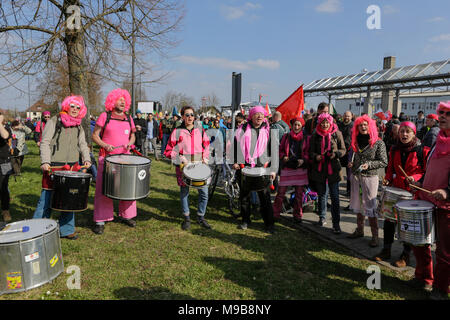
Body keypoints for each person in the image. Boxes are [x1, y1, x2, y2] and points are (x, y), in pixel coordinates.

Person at [33, 95, 91, 240]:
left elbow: (83, 144)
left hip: (72, 168)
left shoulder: (79, 125)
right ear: (66, 106)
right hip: (53, 167)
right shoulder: (55, 121)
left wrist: (87, 158)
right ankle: (38, 230)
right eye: (72, 106)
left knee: (69, 200)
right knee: (46, 199)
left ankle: (66, 230)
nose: (75, 109)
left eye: (78, 107)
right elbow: (45, 142)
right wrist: (45, 161)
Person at [374, 121, 430, 268]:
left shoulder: (423, 150)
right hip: (396, 190)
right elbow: (390, 168)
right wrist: (387, 179)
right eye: (402, 131)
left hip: (413, 192)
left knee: (407, 224)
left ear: (414, 133)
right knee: (389, 221)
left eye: (408, 131)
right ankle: (386, 249)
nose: (404, 134)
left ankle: (405, 255)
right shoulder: (394, 149)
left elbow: (426, 171)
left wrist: (416, 178)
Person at [412, 101, 450, 300]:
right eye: (441, 113)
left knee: (444, 252)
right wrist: (418, 180)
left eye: (448, 114)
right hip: (426, 200)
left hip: (446, 206)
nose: (443, 116)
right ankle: (423, 277)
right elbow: (429, 170)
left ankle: (441, 289)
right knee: (419, 242)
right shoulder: (437, 141)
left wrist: (447, 191)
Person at [92, 89, 137, 235]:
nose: (123, 102)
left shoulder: (129, 118)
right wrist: (104, 145)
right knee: (104, 189)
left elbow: (133, 136)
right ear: (112, 101)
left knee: (127, 188)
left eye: (124, 100)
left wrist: (130, 143)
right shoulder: (105, 116)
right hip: (107, 159)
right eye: (119, 99)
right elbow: (95, 135)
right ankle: (100, 219)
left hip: (125, 159)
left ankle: (127, 215)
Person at [164, 106, 211, 230]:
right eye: (187, 115)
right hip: (184, 167)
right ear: (183, 117)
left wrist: (205, 157)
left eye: (192, 115)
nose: (190, 117)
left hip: (199, 165)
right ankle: (187, 218)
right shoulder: (177, 131)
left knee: (204, 192)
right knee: (184, 192)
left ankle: (201, 217)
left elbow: (207, 145)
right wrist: (179, 157)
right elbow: (168, 150)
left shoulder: (200, 131)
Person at [233, 105, 277, 234]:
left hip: (262, 168)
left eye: (261, 115)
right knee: (244, 197)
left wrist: (273, 169)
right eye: (256, 114)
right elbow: (235, 147)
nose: (259, 117)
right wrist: (235, 161)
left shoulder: (269, 131)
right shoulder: (242, 130)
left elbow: (274, 151)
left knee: (265, 198)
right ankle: (246, 220)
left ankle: (269, 224)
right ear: (251, 116)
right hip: (244, 168)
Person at [347, 114, 388, 247]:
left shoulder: (378, 142)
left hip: (370, 177)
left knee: (370, 205)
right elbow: (355, 157)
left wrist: (369, 165)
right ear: (357, 127)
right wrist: (352, 164)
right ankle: (360, 230)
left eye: (365, 124)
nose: (363, 127)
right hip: (356, 177)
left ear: (370, 126)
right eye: (360, 125)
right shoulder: (356, 141)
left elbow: (383, 161)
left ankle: (375, 236)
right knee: (358, 204)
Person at [308, 113, 346, 233]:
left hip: (334, 169)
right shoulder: (315, 134)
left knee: (335, 197)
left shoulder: (337, 133)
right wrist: (316, 156)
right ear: (319, 123)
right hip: (319, 170)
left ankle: (336, 223)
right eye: (322, 122)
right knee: (322, 195)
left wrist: (336, 154)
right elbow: (310, 152)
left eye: (327, 122)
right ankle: (322, 217)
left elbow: (343, 149)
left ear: (330, 123)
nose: (325, 125)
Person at [272, 117, 308, 224]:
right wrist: (283, 156)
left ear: (301, 127)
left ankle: (297, 215)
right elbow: (281, 149)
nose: (296, 127)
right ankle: (275, 213)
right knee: (280, 193)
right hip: (287, 167)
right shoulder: (286, 136)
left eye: (298, 125)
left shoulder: (306, 138)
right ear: (291, 126)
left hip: (300, 169)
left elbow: (308, 152)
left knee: (298, 195)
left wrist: (304, 160)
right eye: (295, 125)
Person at [0, 113, 13, 222]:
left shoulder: (6, 128)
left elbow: (5, 136)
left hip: (4, 162)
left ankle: (5, 210)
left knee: (4, 186)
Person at [338, 111, 354, 197]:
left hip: (349, 152)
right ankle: (335, 189)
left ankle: (349, 191)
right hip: (340, 151)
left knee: (349, 173)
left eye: (348, 116)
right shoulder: (339, 125)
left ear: (351, 117)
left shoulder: (354, 126)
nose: (346, 117)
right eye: (345, 116)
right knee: (337, 171)